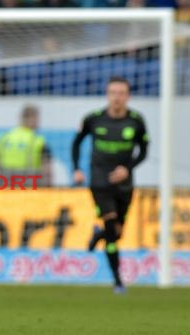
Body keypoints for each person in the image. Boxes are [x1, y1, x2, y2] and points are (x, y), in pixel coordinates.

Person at [72, 76, 149, 294]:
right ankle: (118, 281)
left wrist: (128, 168)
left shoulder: (136, 121)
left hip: (125, 185)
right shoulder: (94, 119)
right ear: (108, 95)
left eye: (121, 93)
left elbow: (143, 151)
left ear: (128, 96)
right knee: (113, 227)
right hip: (99, 183)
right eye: (113, 93)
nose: (117, 97)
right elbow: (76, 142)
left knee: (116, 233)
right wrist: (77, 169)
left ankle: (99, 235)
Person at [0, 104, 52, 187]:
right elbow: (47, 171)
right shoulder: (38, 141)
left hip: (6, 185)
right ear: (32, 118)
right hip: (30, 185)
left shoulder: (4, 138)